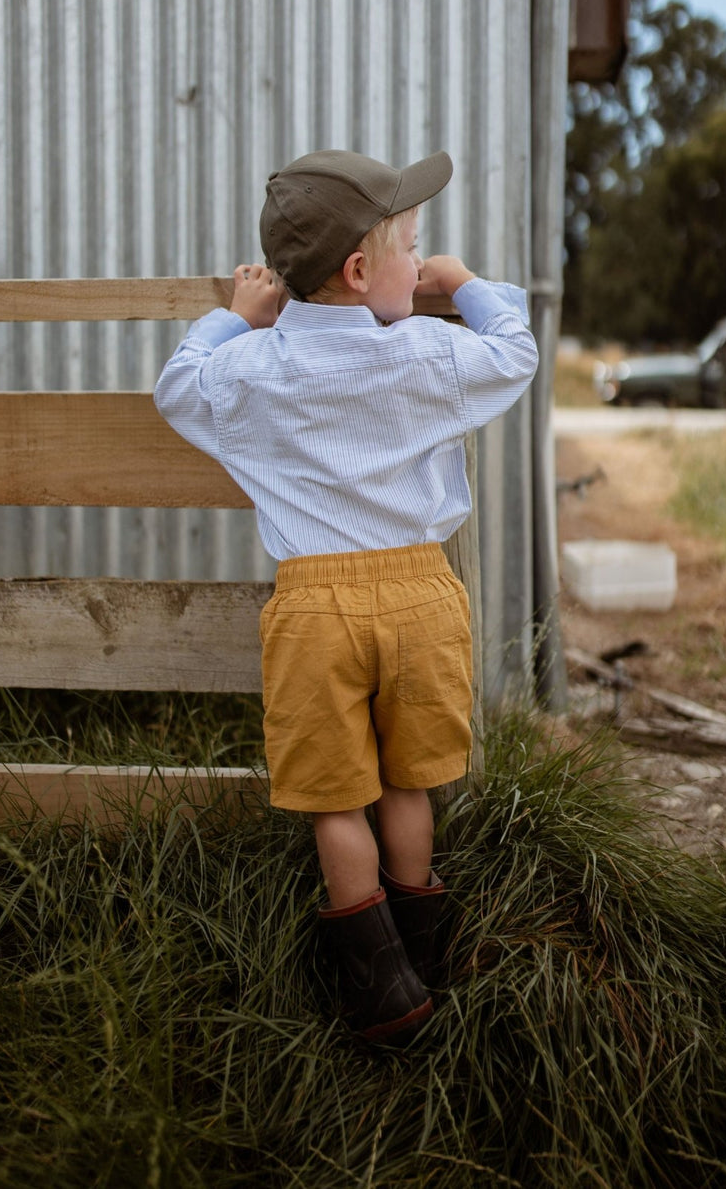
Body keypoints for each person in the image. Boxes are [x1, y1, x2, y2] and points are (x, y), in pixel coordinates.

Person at [154, 149, 538, 1044]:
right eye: (413, 246)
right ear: (364, 274)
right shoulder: (432, 351)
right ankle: (429, 956)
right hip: (419, 594)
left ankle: (382, 993)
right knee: (409, 784)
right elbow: (513, 353)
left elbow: (177, 389)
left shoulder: (255, 367)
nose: (425, 260)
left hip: (313, 608)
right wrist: (469, 283)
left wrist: (232, 319)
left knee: (337, 802)